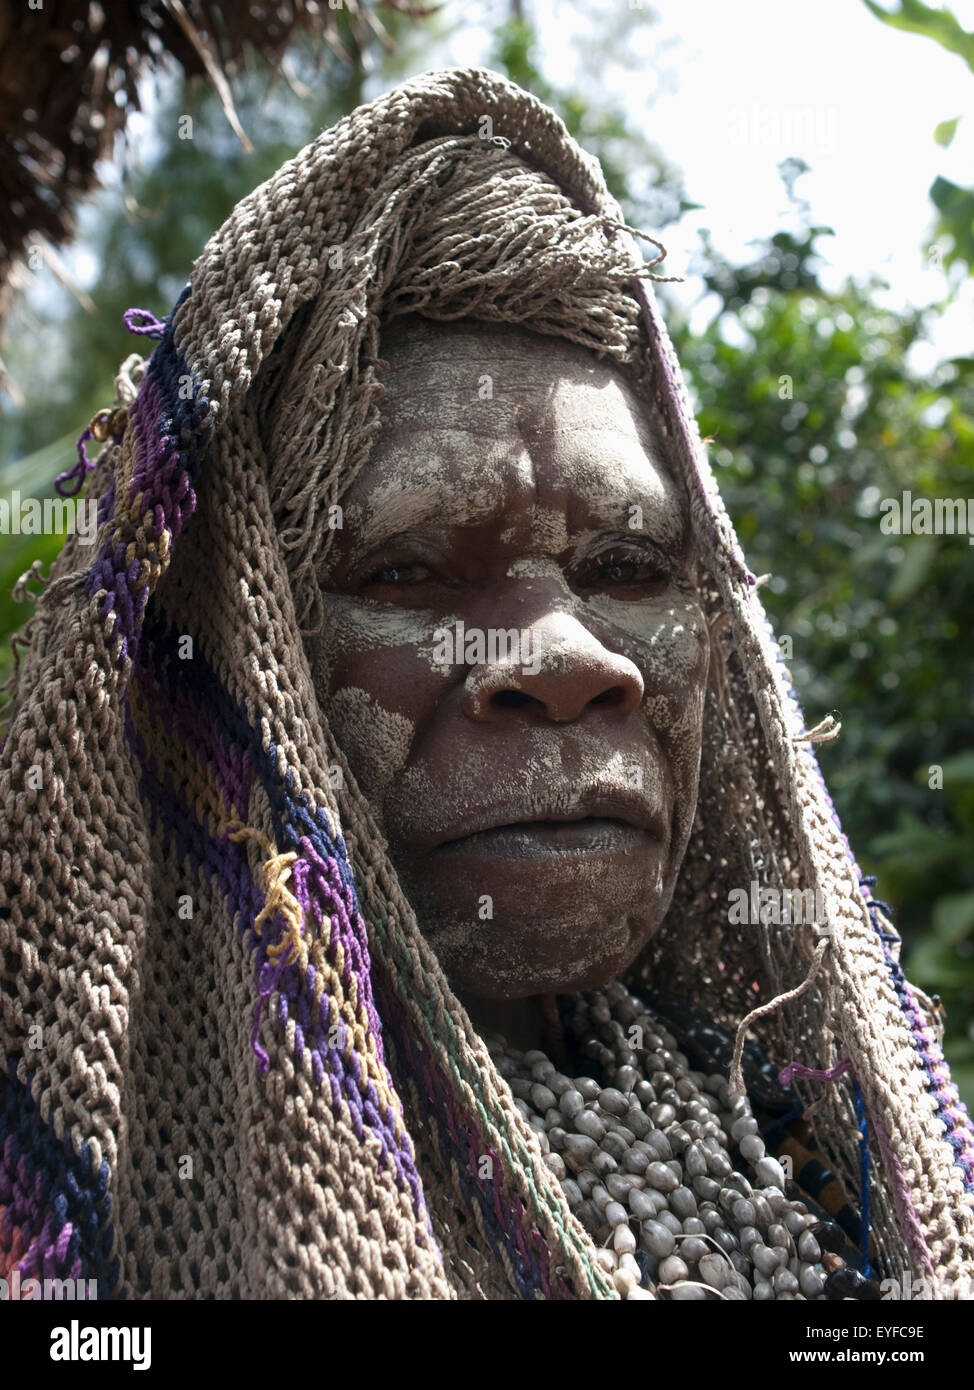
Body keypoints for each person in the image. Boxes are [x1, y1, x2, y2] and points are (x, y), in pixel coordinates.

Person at [1, 67, 972, 1302]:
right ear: (251, 646)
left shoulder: (823, 1157)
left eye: (627, 567)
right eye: (405, 572)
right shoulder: (94, 1218)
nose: (573, 660)